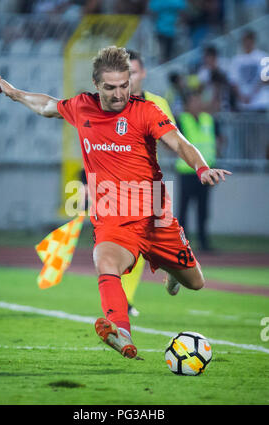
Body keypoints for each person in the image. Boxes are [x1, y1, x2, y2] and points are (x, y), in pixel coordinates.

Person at [0, 46, 231, 360]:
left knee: (196, 282)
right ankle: (121, 330)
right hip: (112, 216)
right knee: (104, 261)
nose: (119, 93)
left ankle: (174, 271)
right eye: (110, 87)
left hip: (155, 215)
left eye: (125, 85)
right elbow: (48, 105)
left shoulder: (146, 111)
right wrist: (16, 94)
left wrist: (201, 168)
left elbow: (179, 143)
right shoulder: (82, 107)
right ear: (96, 84)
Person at [123, 49, 176, 316]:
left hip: (148, 184)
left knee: (148, 241)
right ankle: (126, 301)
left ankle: (172, 266)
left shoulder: (157, 103)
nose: (128, 78)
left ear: (142, 73)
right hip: (116, 186)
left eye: (132, 72)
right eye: (124, 73)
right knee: (129, 245)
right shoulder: (111, 102)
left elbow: (171, 139)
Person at [175, 91, 218, 252]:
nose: (198, 104)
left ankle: (203, 243)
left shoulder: (208, 119)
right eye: (194, 101)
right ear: (187, 105)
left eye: (199, 101)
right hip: (187, 171)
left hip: (206, 172)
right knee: (184, 210)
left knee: (203, 209)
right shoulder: (182, 120)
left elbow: (217, 139)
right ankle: (182, 244)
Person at [229, 30, 269, 112]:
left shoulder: (263, 56)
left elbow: (266, 79)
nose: (247, 43)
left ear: (253, 40)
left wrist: (252, 94)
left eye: (249, 40)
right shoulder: (236, 60)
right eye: (245, 40)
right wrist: (241, 96)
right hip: (243, 104)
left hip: (260, 102)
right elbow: (233, 81)